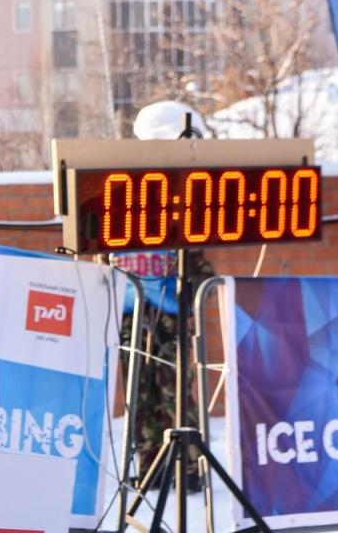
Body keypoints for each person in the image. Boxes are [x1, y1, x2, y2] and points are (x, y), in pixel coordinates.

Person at [115, 101, 214, 489]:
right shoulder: (119, 196)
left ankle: (187, 468)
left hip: (170, 312)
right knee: (140, 394)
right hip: (133, 311)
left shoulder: (182, 205)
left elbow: (198, 261)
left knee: (176, 391)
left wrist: (195, 285)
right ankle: (151, 468)